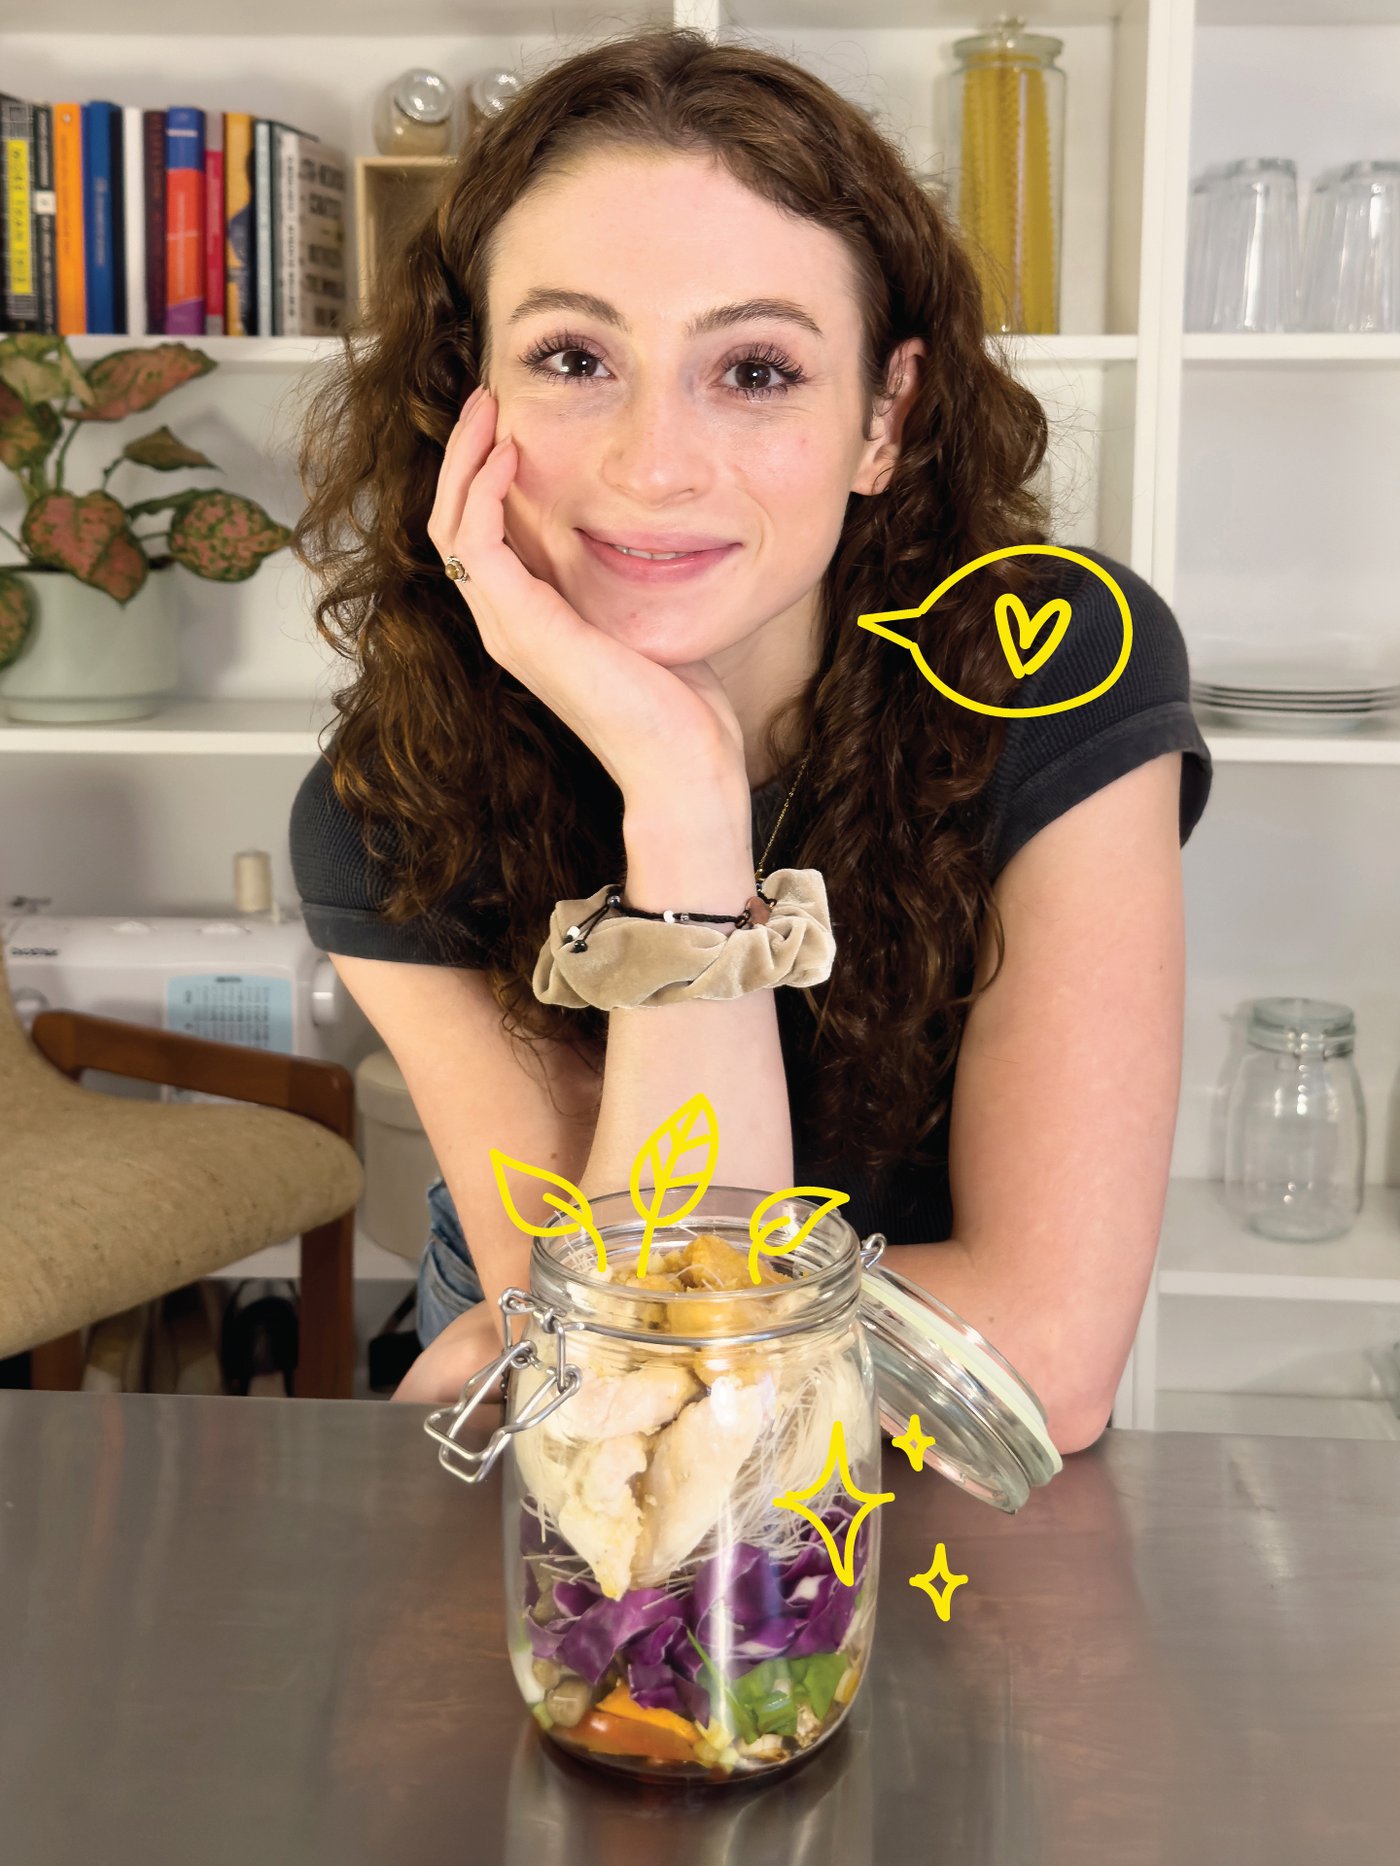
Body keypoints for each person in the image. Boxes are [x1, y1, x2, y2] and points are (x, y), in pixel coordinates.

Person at [287, 26, 1212, 1450]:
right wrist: (680, 796)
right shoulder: (384, 797)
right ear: (471, 398)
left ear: (884, 416)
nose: (654, 462)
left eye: (760, 370)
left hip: (921, 1490)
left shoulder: (1048, 668)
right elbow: (625, 1384)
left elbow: (1047, 1357)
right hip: (614, 1489)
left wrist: (602, 1328)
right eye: (575, 356)